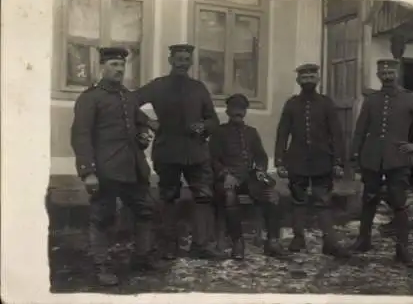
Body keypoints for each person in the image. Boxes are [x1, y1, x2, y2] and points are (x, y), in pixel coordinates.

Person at [71, 47, 158, 286]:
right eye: (113, 65)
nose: (119, 70)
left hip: (132, 167)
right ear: (102, 67)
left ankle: (142, 256)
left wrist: (143, 134)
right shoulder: (90, 98)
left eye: (121, 65)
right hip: (105, 169)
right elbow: (81, 136)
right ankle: (102, 267)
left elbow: (139, 121)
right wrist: (88, 172)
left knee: (145, 210)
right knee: (102, 218)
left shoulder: (128, 96)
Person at [133, 44, 223, 260]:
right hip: (168, 151)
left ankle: (201, 245)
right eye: (179, 59)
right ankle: (168, 245)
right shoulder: (158, 86)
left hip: (196, 152)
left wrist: (204, 126)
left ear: (191, 62)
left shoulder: (199, 88)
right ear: (171, 60)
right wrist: (148, 122)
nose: (183, 63)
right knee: (168, 197)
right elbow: (128, 103)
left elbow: (213, 119)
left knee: (203, 196)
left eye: (186, 59)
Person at [350, 59, 413, 268]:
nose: (386, 74)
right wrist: (355, 155)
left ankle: (402, 249)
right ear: (378, 75)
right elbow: (360, 129)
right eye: (382, 71)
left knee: (399, 204)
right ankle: (363, 241)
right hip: (371, 158)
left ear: (397, 73)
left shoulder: (410, 98)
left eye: (390, 71)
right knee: (369, 200)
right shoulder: (372, 100)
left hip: (398, 159)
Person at [274, 63, 350, 258]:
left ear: (317, 79)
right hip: (297, 160)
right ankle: (298, 238)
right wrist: (280, 161)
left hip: (322, 160)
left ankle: (329, 242)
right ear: (298, 80)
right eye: (304, 77)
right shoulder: (291, 104)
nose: (308, 80)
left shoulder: (326, 103)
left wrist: (338, 162)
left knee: (322, 201)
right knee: (298, 200)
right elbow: (282, 133)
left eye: (311, 77)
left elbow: (337, 134)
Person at [209, 94, 287, 260]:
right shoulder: (219, 132)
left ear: (245, 112)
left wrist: (260, 169)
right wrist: (225, 174)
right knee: (229, 196)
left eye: (241, 109)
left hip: (249, 179)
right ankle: (238, 242)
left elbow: (261, 156)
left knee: (272, 195)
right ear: (228, 111)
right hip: (227, 179)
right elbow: (213, 159)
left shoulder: (251, 132)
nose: (238, 113)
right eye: (234, 109)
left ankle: (272, 241)